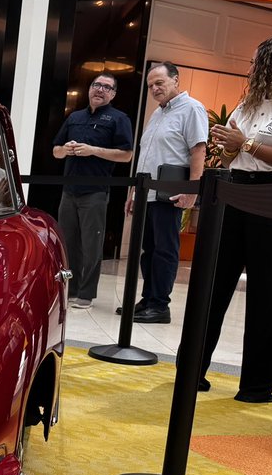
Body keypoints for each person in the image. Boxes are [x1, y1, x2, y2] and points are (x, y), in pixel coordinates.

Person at [197, 35, 272, 403]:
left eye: (255, 61)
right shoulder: (248, 104)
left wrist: (245, 143)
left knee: (269, 294)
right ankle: (191, 371)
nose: (249, 68)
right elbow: (230, 158)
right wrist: (229, 148)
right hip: (235, 190)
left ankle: (256, 386)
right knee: (212, 285)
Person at [122, 62, 208, 324]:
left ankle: (160, 305)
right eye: (151, 86)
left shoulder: (192, 108)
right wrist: (133, 192)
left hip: (169, 195)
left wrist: (193, 190)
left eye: (159, 83)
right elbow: (146, 156)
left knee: (165, 250)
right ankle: (148, 299)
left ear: (176, 80)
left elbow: (198, 150)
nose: (154, 89)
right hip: (146, 193)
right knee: (148, 250)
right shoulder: (157, 113)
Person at [52, 73, 135, 309]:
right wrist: (66, 149)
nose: (100, 89)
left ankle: (86, 294)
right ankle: (70, 288)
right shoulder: (74, 117)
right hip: (69, 191)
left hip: (95, 191)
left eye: (107, 87)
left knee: (91, 246)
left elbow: (126, 155)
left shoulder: (119, 119)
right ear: (89, 89)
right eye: (96, 85)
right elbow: (55, 151)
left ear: (113, 94)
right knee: (68, 244)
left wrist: (93, 150)